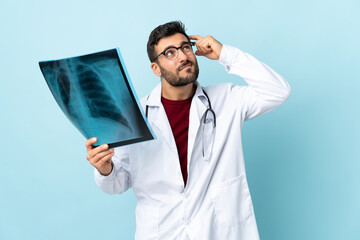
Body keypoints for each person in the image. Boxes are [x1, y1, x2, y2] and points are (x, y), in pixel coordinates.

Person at [85, 21, 290, 240]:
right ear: (156, 68)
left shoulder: (227, 100)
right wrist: (105, 169)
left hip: (217, 232)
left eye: (185, 47)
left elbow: (278, 91)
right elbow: (116, 184)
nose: (183, 57)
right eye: (170, 53)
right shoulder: (133, 117)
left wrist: (224, 54)